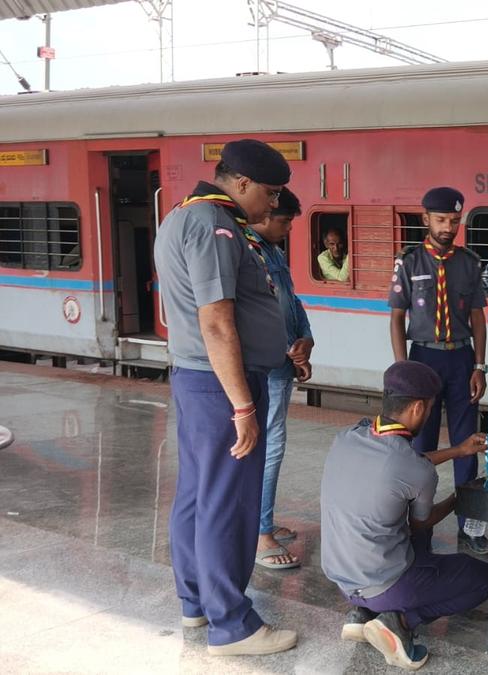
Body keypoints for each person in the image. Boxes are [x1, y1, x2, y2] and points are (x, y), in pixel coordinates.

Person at [152, 139, 297, 655]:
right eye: (272, 193)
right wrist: (243, 405)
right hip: (221, 385)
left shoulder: (183, 217)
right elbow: (216, 321)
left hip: (199, 379)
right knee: (226, 502)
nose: (275, 205)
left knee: (197, 494)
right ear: (240, 183)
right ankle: (232, 625)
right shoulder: (214, 225)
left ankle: (196, 604)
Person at [320, 360, 488, 671]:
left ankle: (361, 614)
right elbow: (421, 522)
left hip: (341, 577)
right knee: (483, 579)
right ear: (418, 408)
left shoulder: (348, 436)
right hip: (384, 582)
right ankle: (399, 621)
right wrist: (459, 499)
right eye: (430, 409)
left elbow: (404, 467)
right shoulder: (417, 471)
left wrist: (457, 451)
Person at [388, 187, 488, 555]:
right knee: (420, 446)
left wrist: (479, 365)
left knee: (469, 444)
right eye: (442, 220)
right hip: (422, 361)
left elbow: (478, 317)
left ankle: (471, 526)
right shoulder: (409, 262)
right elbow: (397, 317)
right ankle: (419, 525)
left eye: (454, 220)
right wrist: (403, 368)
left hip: (461, 360)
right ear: (426, 219)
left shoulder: (469, 263)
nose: (449, 227)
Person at [246, 187, 313, 570]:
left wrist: (306, 340)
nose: (288, 229)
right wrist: (290, 347)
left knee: (275, 444)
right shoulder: (248, 251)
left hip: (283, 360)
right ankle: (259, 535)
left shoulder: (274, 251)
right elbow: (258, 309)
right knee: (269, 446)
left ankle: (263, 522)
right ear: (265, 215)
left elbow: (292, 300)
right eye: (284, 221)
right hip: (266, 365)